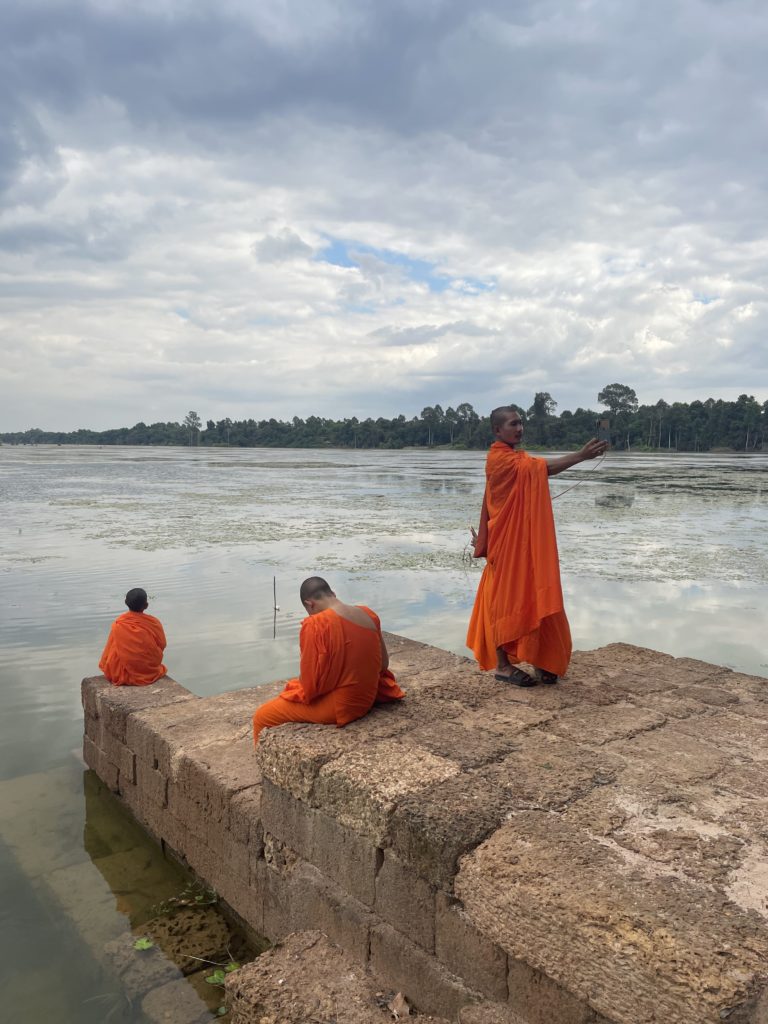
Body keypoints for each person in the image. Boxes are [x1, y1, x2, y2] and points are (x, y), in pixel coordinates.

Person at [466, 407, 607, 686]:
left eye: (521, 423)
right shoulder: (499, 460)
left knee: (535, 592)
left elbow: (535, 472)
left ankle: (542, 658)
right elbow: (543, 469)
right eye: (513, 424)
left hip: (521, 543)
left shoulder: (516, 458)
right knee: (503, 600)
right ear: (497, 431)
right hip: (506, 545)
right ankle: (503, 666)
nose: (519, 428)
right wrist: (581, 456)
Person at [253, 577, 404, 743]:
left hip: (344, 706)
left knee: (261, 717)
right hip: (370, 694)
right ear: (332, 593)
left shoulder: (316, 623)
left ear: (310, 604)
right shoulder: (368, 613)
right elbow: (383, 664)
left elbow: (310, 685)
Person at [99, 588, 168, 686]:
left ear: (126, 603)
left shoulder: (119, 623)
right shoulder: (154, 622)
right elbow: (162, 644)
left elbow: (110, 649)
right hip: (148, 670)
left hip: (119, 673)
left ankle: (126, 671)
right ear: (146, 605)